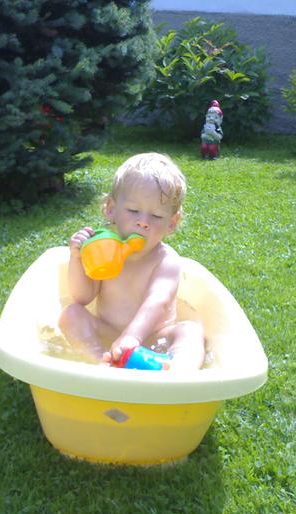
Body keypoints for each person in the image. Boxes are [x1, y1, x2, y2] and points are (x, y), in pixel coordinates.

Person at [58, 153, 205, 371]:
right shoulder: (105, 251)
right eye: (133, 211)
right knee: (71, 314)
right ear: (111, 209)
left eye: (156, 216)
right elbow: (82, 297)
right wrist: (77, 258)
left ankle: (178, 370)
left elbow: (158, 301)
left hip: (155, 340)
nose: (143, 222)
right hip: (108, 333)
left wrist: (132, 337)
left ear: (171, 223)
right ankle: (99, 360)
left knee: (190, 330)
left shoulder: (166, 260)